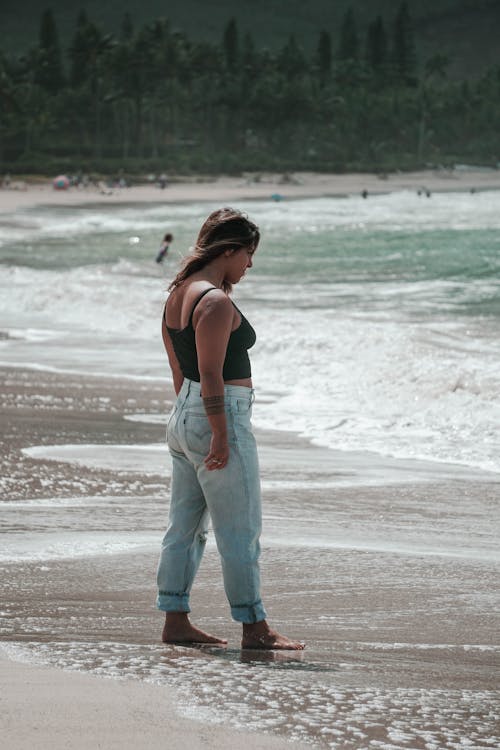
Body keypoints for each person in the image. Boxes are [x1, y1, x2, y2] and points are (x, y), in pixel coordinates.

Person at [156, 207, 304, 650]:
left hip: (184, 415)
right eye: (248, 254)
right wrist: (219, 433)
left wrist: (190, 421)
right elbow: (212, 373)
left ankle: (175, 619)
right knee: (240, 528)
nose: (249, 265)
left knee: (184, 527)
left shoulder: (177, 294)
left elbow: (178, 369)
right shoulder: (215, 302)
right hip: (218, 417)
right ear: (229, 250)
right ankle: (254, 627)